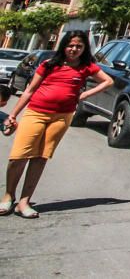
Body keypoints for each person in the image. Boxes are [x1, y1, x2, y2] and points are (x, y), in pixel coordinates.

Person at [1, 31, 113, 218]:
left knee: (40, 157)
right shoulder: (49, 64)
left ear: (84, 48)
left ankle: (24, 202)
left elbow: (108, 81)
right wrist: (12, 114)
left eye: (79, 46)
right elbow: (30, 91)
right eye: (70, 45)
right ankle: (8, 196)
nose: (74, 49)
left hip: (61, 117)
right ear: (64, 46)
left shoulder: (87, 67)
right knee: (18, 156)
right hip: (36, 112)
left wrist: (83, 95)